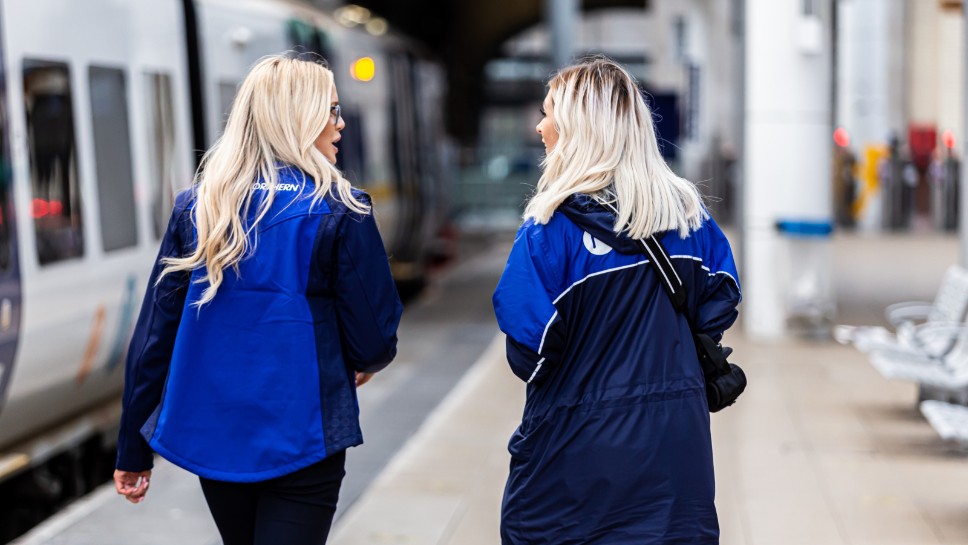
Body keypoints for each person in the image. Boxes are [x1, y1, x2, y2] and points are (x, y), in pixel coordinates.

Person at [113, 53, 403, 545]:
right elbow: (374, 338)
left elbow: (152, 340)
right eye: (331, 110)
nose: (341, 123)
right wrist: (362, 359)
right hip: (304, 432)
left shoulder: (200, 206)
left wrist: (131, 450)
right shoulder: (340, 207)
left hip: (217, 434)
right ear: (300, 118)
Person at [492, 56, 741, 544]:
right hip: (675, 453)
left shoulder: (548, 231)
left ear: (578, 130)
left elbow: (528, 351)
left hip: (574, 459)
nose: (539, 127)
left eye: (548, 115)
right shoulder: (691, 219)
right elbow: (719, 305)